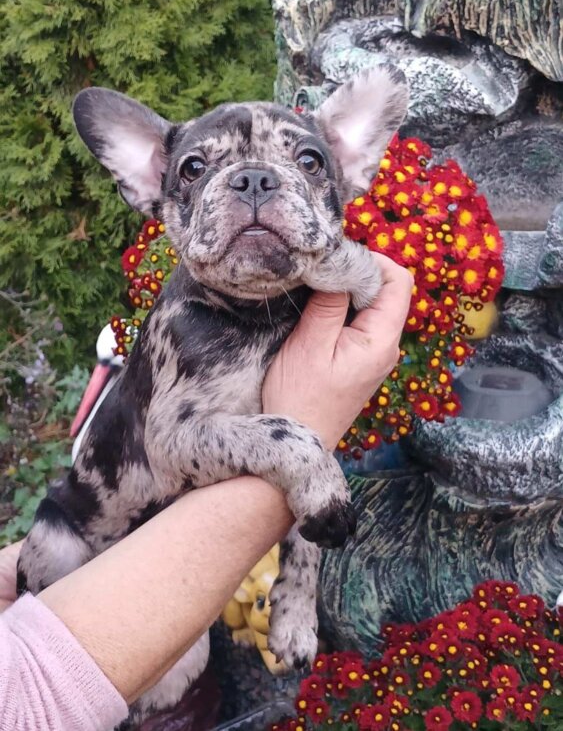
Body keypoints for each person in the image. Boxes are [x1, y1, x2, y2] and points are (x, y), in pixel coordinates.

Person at [0, 255, 413, 731]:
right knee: (55, 550)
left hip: (162, 549)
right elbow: (28, 705)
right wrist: (307, 435)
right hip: (88, 531)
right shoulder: (186, 322)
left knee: (184, 667)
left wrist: (299, 582)